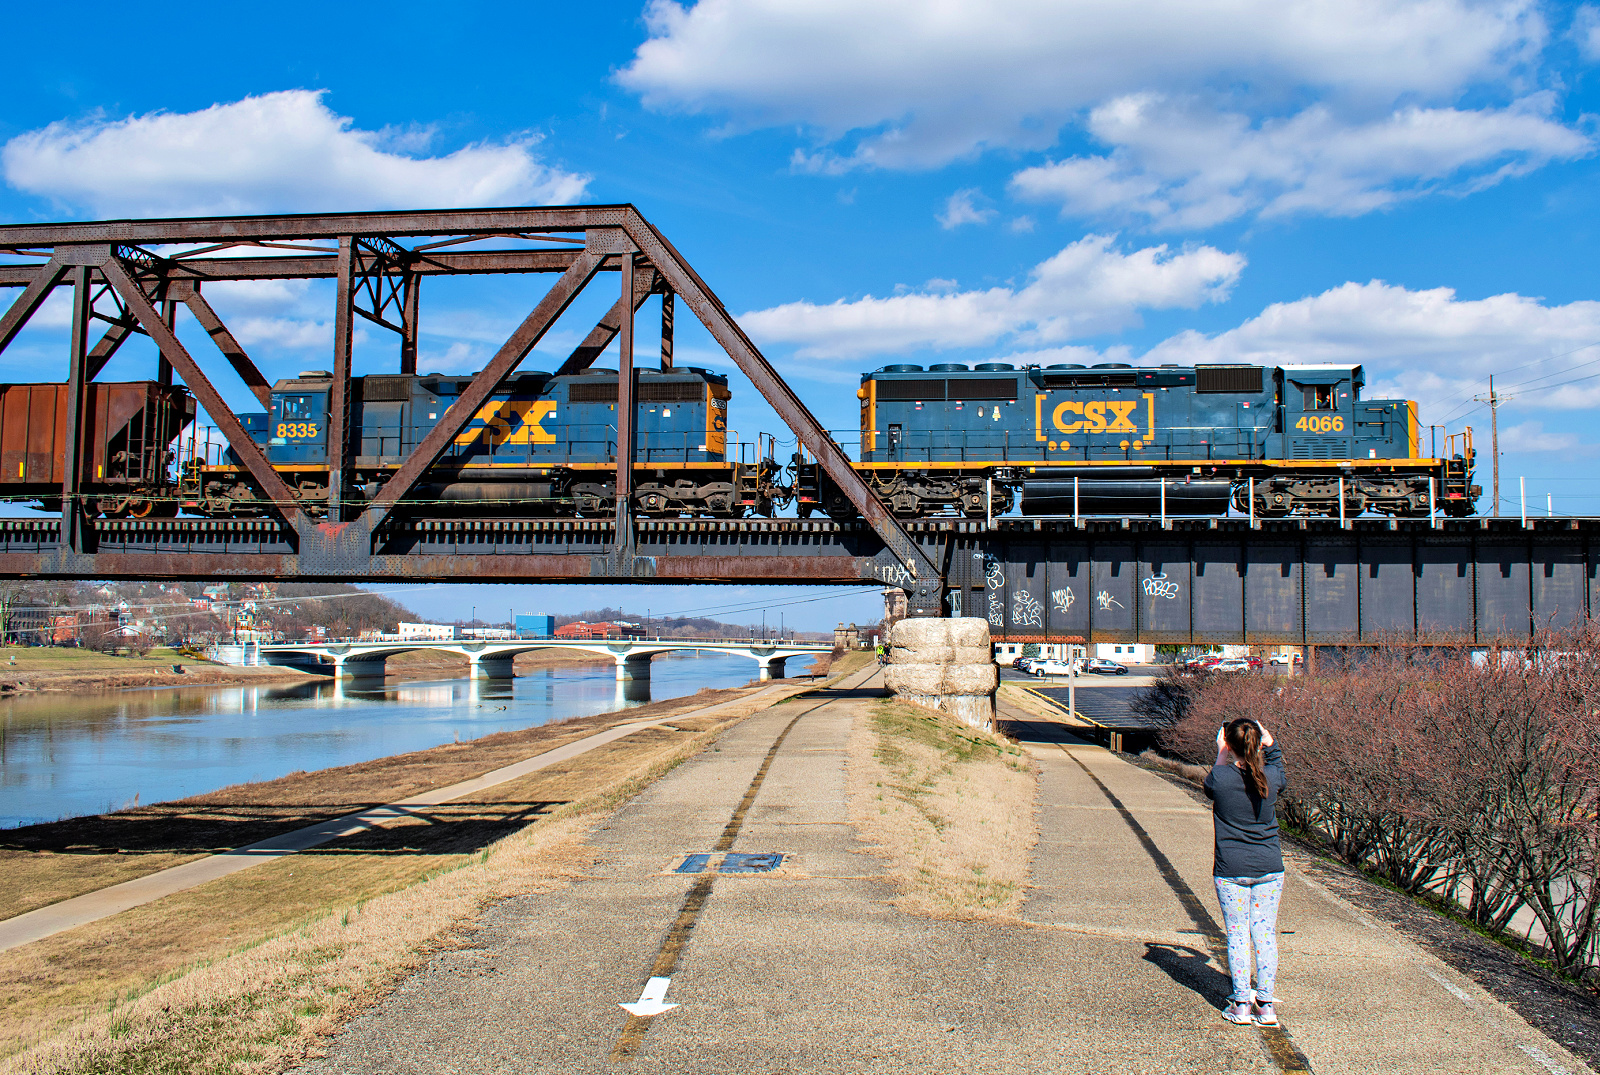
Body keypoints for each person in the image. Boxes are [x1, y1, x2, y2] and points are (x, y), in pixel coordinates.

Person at [1204, 717, 1288, 1027]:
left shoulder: (1221, 777)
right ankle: (1265, 1005)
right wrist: (1271, 742)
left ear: (1228, 743)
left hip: (1231, 869)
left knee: (1238, 935)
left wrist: (1221, 751)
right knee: (1264, 935)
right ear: (1257, 741)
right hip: (1269, 866)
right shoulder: (1272, 776)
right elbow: (1277, 764)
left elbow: (1212, 782)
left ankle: (1241, 1003)